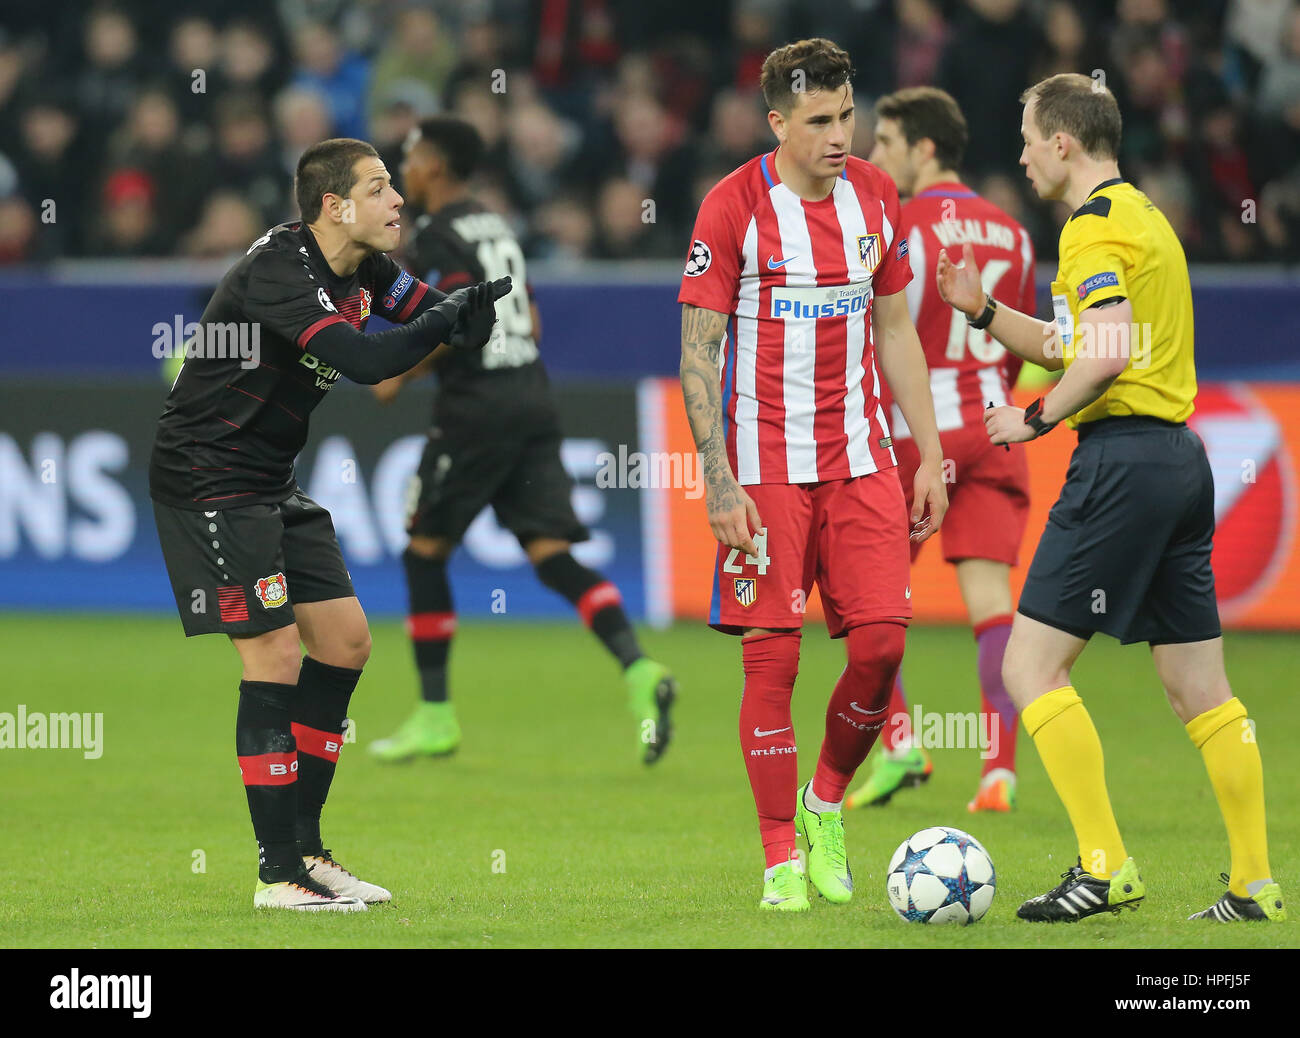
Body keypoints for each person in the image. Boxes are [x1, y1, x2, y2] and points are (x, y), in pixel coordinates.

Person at [937, 73, 1285, 923]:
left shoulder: (1091, 231)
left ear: (1064, 141)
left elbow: (1106, 355)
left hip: (1122, 462)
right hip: (1178, 460)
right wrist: (984, 312)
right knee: (1198, 686)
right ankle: (1254, 884)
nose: (1018, 154)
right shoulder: (1143, 218)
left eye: (1026, 137)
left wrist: (1031, 418)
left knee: (1029, 665)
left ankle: (1104, 868)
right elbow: (1077, 340)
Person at [149, 137, 511, 912]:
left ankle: (310, 853)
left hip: (269, 479)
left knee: (345, 640)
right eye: (381, 189)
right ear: (333, 206)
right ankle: (277, 873)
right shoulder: (279, 268)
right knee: (275, 653)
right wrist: (445, 323)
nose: (399, 201)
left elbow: (426, 314)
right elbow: (369, 360)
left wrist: (467, 315)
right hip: (208, 478)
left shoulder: (367, 268)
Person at [678, 38, 947, 912]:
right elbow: (698, 354)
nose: (841, 136)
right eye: (821, 121)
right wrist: (717, 482)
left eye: (848, 116)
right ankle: (780, 858)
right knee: (774, 663)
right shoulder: (731, 208)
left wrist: (930, 452)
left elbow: (898, 331)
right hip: (764, 470)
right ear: (778, 123)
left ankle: (824, 801)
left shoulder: (876, 195)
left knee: (881, 647)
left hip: (863, 460)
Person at [367, 117, 677, 765]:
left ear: (437, 165)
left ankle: (434, 716)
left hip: (476, 408)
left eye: (413, 159)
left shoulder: (436, 234)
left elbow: (456, 320)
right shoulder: (497, 223)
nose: (406, 173)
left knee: (424, 552)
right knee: (550, 553)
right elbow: (528, 316)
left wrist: (397, 371)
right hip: (530, 397)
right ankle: (639, 668)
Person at [847, 86, 1036, 814]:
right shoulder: (1015, 236)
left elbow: (882, 337)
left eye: (885, 144)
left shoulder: (891, 225)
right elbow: (1018, 339)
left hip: (912, 439)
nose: (871, 157)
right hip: (995, 427)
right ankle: (999, 771)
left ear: (924, 150)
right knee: (990, 602)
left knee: (861, 593)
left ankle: (900, 743)